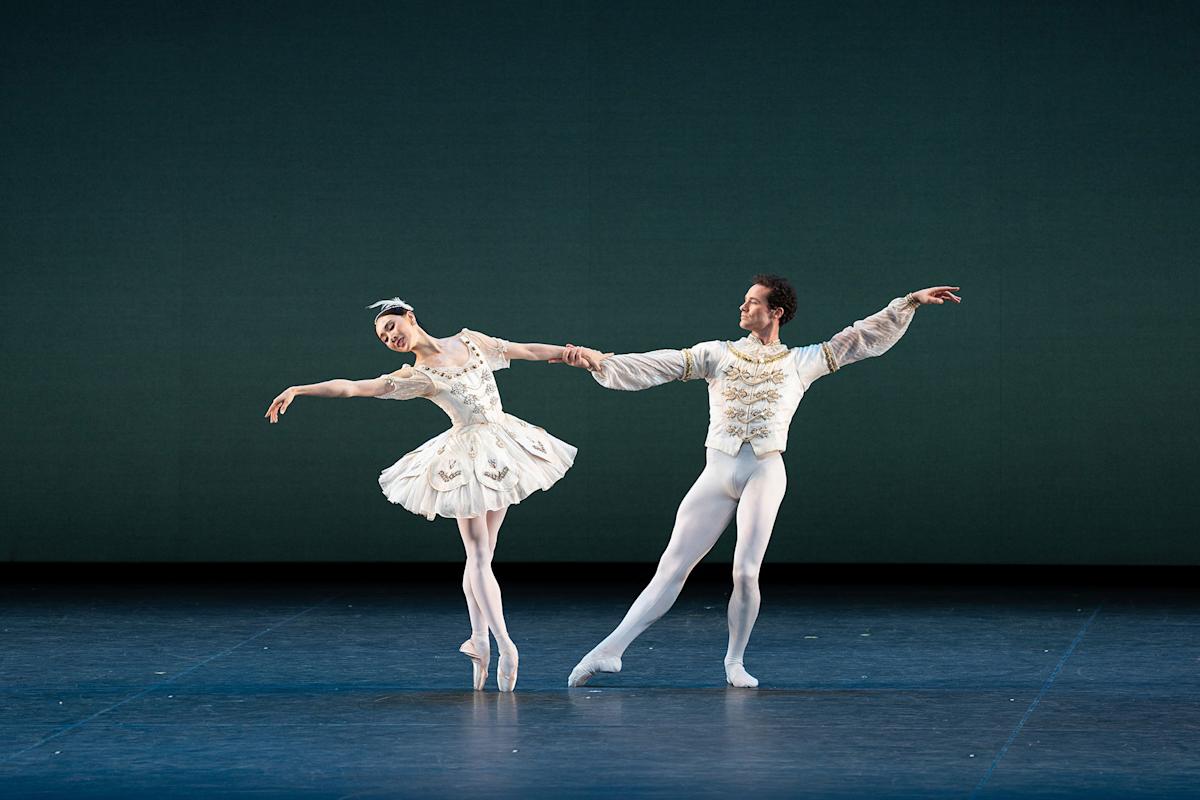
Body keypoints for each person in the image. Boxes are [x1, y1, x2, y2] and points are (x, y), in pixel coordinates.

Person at [561, 277, 961, 688]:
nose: (743, 307)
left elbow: (859, 338)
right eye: (744, 301)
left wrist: (909, 302)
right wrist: (600, 362)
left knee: (746, 572)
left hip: (764, 472)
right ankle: (610, 650)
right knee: (671, 568)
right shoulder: (716, 354)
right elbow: (657, 364)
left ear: (776, 312)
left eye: (753, 302)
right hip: (716, 473)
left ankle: (734, 661)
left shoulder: (802, 361)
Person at [264, 298, 584, 692]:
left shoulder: (472, 341)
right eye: (382, 337)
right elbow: (352, 388)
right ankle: (494, 642)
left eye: (391, 328)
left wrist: (571, 353)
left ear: (409, 318)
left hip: (498, 450)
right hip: (470, 458)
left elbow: (528, 350)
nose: (388, 338)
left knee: (480, 555)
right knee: (480, 556)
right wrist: (300, 389)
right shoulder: (417, 375)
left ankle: (490, 642)